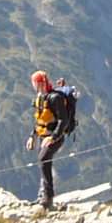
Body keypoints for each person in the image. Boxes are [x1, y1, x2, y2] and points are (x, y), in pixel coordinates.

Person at [26, 70, 77, 209]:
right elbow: (39, 120)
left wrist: (53, 137)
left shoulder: (55, 98)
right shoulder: (40, 98)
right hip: (42, 136)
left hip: (54, 137)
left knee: (43, 160)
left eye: (34, 83)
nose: (33, 85)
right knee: (43, 164)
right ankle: (42, 196)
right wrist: (32, 136)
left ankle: (48, 199)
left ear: (39, 83)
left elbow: (63, 120)